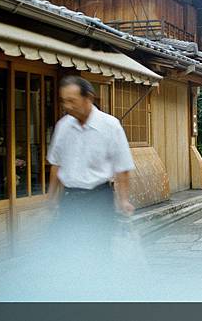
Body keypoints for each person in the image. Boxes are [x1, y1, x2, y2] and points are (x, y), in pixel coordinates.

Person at [46, 75, 135, 264]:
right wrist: (51, 198)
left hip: (98, 199)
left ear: (89, 98)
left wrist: (123, 200)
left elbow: (122, 168)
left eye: (72, 101)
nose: (67, 106)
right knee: (68, 253)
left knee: (98, 251)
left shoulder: (110, 125)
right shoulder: (63, 127)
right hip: (69, 199)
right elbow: (56, 164)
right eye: (64, 101)